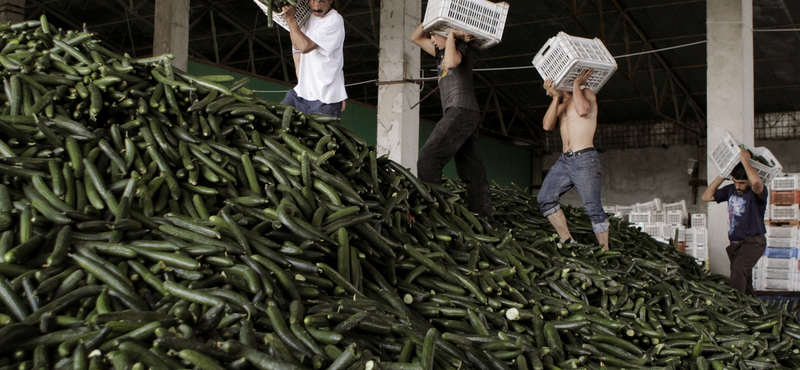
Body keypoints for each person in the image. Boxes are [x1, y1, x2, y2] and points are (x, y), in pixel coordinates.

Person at [409, 23, 494, 220]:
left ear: (447, 35)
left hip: (461, 110)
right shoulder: (440, 51)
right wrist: (431, 20)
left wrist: (451, 35)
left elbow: (451, 63)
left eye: (434, 35)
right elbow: (415, 37)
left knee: (428, 158)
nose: (431, 39)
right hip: (466, 112)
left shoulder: (460, 47)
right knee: (472, 170)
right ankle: (484, 217)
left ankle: (431, 213)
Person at [537, 69, 610, 250]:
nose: (548, 88)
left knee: (593, 208)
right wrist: (555, 98)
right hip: (565, 161)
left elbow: (583, 110)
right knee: (545, 198)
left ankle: (606, 251)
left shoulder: (586, 94)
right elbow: (547, 125)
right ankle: (568, 241)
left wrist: (577, 84)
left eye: (551, 85)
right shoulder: (561, 105)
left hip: (585, 158)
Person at [701, 149, 768, 296]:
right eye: (735, 182)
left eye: (742, 183)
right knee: (744, 279)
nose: (738, 186)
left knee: (738, 270)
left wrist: (744, 160)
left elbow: (756, 181)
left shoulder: (757, 193)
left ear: (749, 181)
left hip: (753, 242)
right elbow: (706, 196)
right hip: (736, 244)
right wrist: (723, 175)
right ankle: (754, 309)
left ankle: (734, 306)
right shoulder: (730, 190)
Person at [280, 0, 347, 117]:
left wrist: (290, 19)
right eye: (313, 1)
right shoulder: (307, 17)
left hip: (325, 96)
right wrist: (301, 80)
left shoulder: (334, 20)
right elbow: (296, 47)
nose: (317, 7)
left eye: (321, 2)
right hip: (301, 92)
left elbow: (305, 46)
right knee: (277, 117)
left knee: (322, 135)